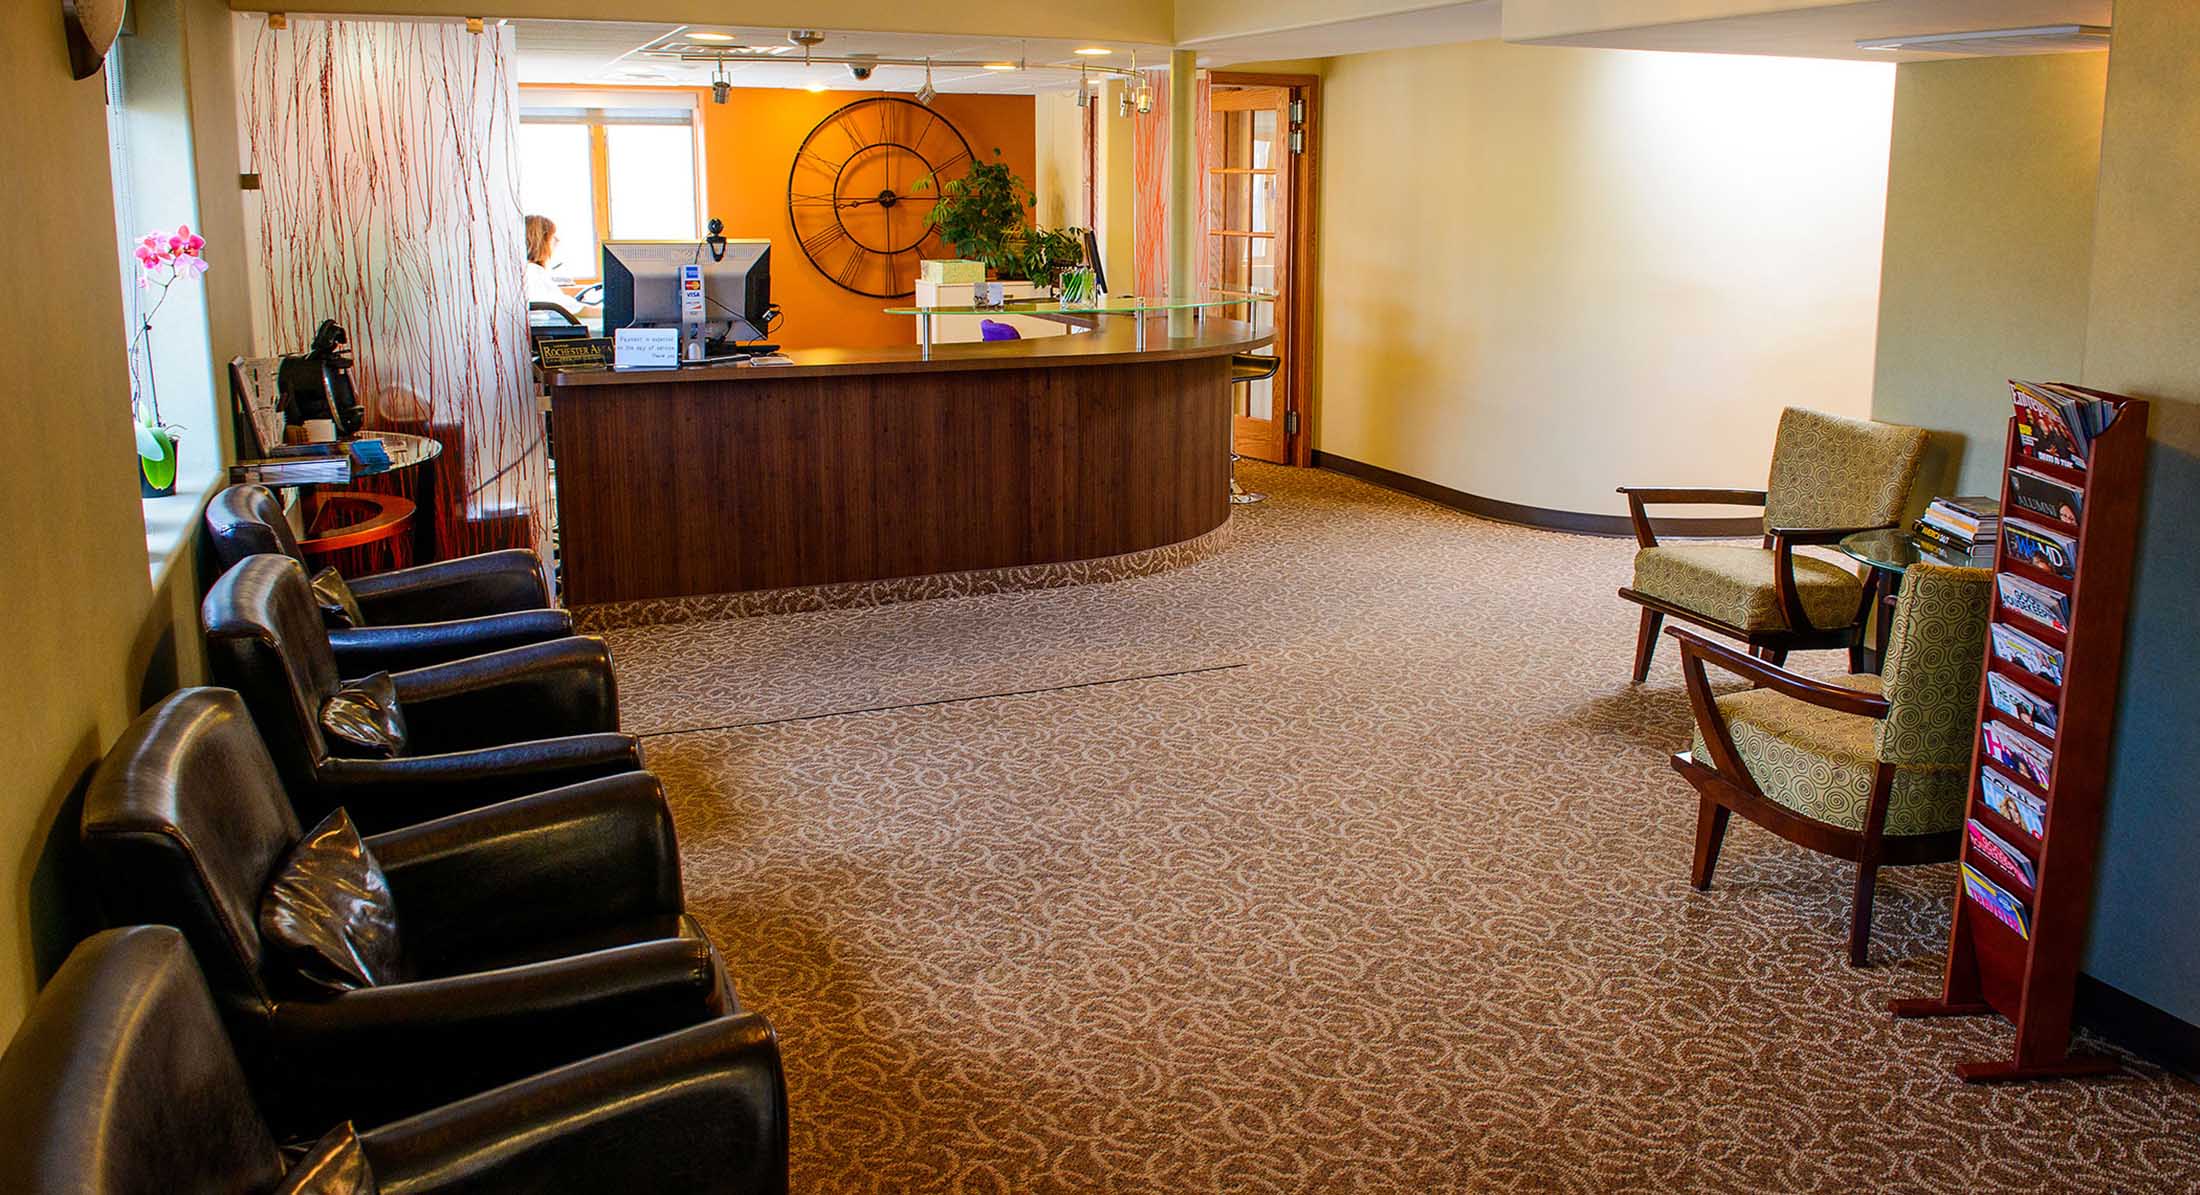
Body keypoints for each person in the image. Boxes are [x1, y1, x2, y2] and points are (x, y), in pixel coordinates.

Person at [524, 215, 588, 318]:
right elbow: (562, 308)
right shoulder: (532, 273)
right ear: (541, 240)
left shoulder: (533, 271)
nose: (557, 240)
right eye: (552, 236)